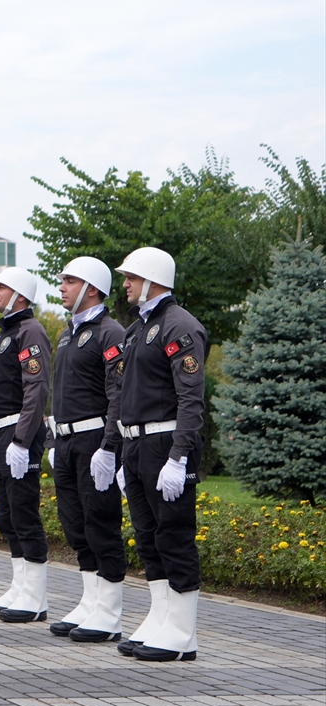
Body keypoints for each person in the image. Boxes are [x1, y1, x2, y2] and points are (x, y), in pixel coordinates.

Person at [114, 247, 206, 662]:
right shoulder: (137, 329)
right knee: (149, 537)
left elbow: (191, 400)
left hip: (165, 444)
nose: (126, 284)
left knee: (174, 534)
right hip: (136, 445)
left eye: (132, 277)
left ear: (152, 279)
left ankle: (184, 632)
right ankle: (161, 617)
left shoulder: (179, 326)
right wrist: (116, 451)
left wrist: (179, 456)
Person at [46, 257, 129, 643]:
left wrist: (110, 446)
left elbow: (117, 394)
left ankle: (109, 612)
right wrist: (52, 440)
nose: (61, 287)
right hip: (66, 441)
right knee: (75, 525)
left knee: (101, 523)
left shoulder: (110, 333)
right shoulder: (68, 333)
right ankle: (90, 601)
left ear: (92, 288)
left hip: (95, 439)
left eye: (70, 281)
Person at [0, 267, 53, 623]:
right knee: (6, 515)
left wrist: (21, 441)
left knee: (23, 512)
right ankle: (19, 585)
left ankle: (35, 595)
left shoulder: (30, 331)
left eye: (1, 287)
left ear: (20, 295)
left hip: (15, 433)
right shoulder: (7, 333)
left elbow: (35, 389)